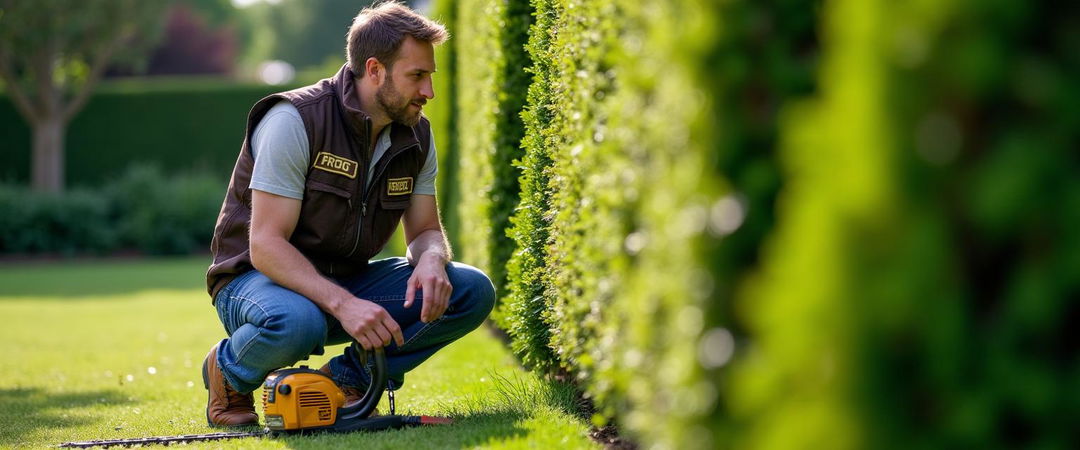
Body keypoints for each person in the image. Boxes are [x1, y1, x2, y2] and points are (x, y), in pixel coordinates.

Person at [201, 1, 494, 427]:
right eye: (417, 76)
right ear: (374, 70)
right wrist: (344, 305)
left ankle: (345, 382)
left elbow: (426, 230)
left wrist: (431, 257)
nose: (428, 91)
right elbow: (264, 245)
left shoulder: (417, 134)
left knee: (469, 289)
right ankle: (227, 372)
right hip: (254, 280)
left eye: (429, 76)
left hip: (347, 281)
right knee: (298, 322)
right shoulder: (294, 120)